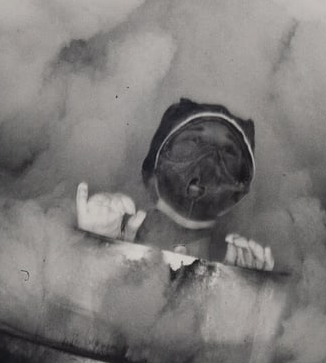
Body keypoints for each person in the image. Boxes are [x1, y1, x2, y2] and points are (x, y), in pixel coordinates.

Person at [75, 97, 275, 271]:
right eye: (191, 144)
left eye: (228, 154)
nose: (208, 163)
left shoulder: (236, 259)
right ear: (156, 163)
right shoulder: (116, 232)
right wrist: (98, 250)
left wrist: (246, 289)